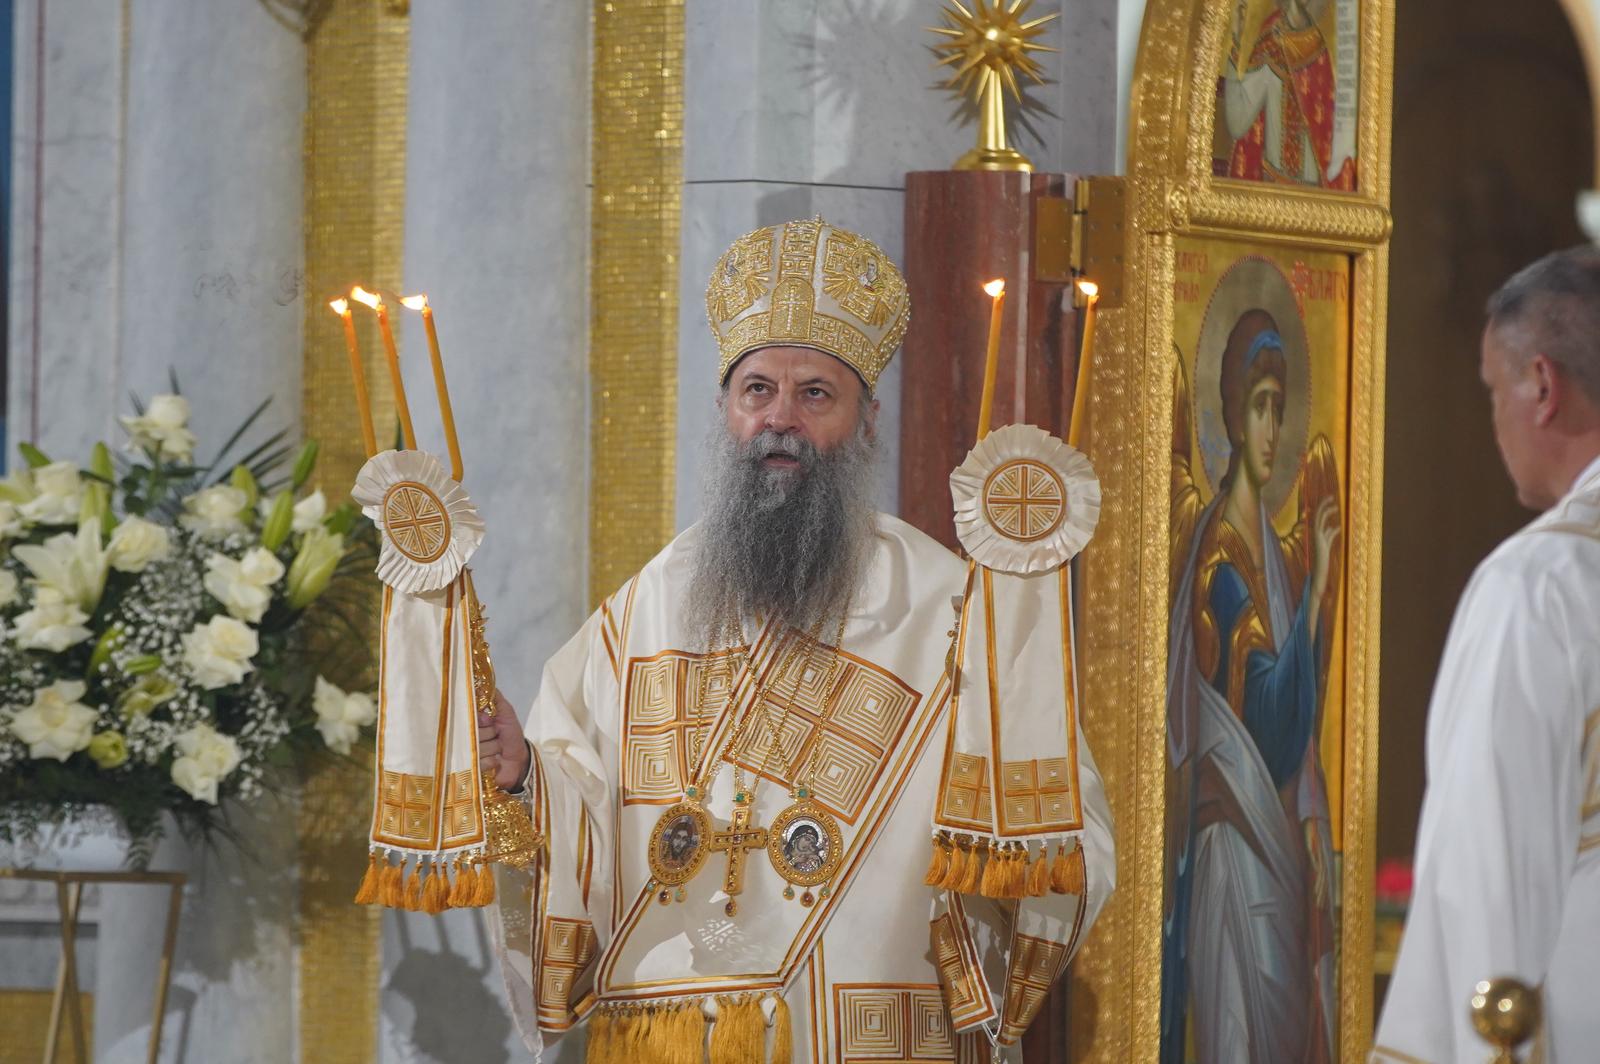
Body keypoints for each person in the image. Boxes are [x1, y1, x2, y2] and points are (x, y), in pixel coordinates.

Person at [473, 219, 1115, 1062]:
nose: (781, 419)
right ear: (724, 410)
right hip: (671, 1041)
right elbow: (582, 802)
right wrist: (524, 779)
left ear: (866, 419)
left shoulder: (953, 610)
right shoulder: (649, 607)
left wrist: (1011, 835)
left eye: (816, 393)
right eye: (757, 391)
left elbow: (1078, 840)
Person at [1372, 247, 1600, 1063]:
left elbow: (1490, 875)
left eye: (1492, 389)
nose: (1495, 415)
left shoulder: (1539, 586)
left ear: (1542, 385)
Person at [1163, 310, 1342, 1063]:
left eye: (1282, 408)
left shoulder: (1274, 548)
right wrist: (1322, 582)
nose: (1273, 431)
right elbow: (1271, 722)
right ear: (1233, 415)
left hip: (1272, 853)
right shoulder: (1221, 560)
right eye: (1261, 405)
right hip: (1232, 851)